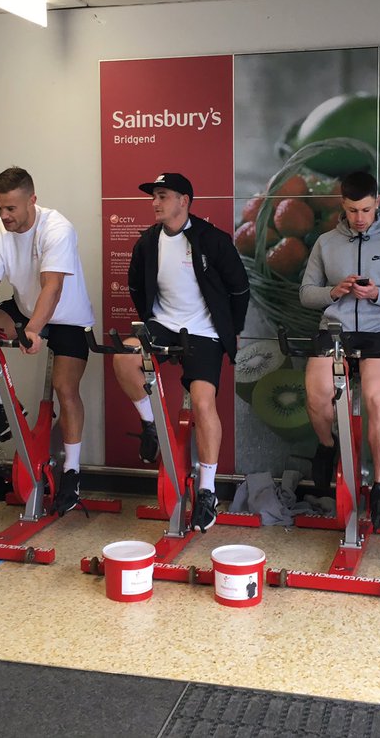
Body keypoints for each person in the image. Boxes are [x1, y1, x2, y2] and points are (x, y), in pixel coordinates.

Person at [113, 173, 250, 533]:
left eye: (163, 196)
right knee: (124, 357)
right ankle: (149, 424)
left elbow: (239, 288)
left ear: (183, 201)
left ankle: (207, 491)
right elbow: (135, 286)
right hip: (163, 324)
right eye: (153, 197)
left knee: (203, 404)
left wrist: (232, 329)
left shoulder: (212, 239)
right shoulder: (147, 242)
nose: (155, 203)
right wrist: (151, 321)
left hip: (204, 331)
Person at [0, 166, 95, 515]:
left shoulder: (57, 227)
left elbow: (53, 286)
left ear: (32, 200)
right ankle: (6, 407)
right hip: (25, 308)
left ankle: (72, 473)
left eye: (11, 208)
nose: (4, 216)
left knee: (65, 389)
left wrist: (33, 329)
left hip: (68, 316)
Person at [299, 170, 380, 531]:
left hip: (377, 332)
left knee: (376, 400)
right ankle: (327, 445)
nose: (359, 218)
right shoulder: (325, 243)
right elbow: (306, 294)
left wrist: (378, 294)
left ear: (378, 203)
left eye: (366, 210)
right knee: (317, 396)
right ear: (342, 204)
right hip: (334, 331)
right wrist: (334, 292)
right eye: (353, 210)